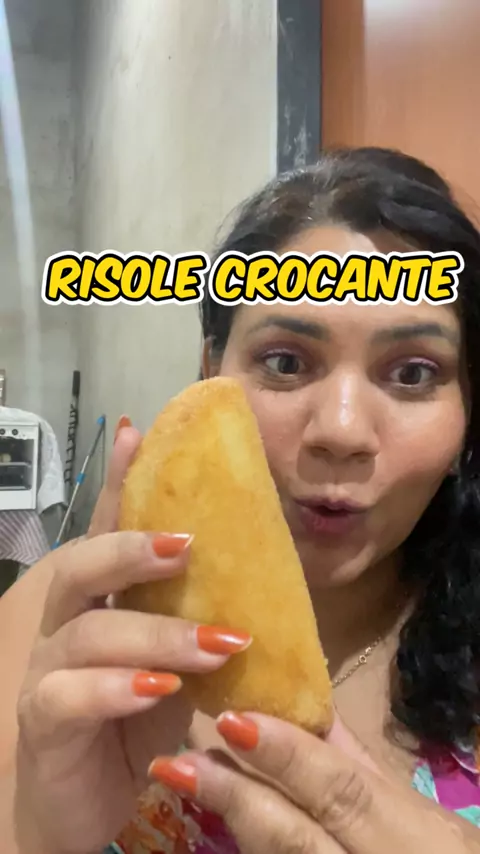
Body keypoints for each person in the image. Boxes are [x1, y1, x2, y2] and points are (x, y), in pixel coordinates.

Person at [3, 146, 480, 854]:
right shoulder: (68, 625)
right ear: (210, 374)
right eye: (285, 362)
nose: (342, 431)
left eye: (413, 373)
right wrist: (35, 834)